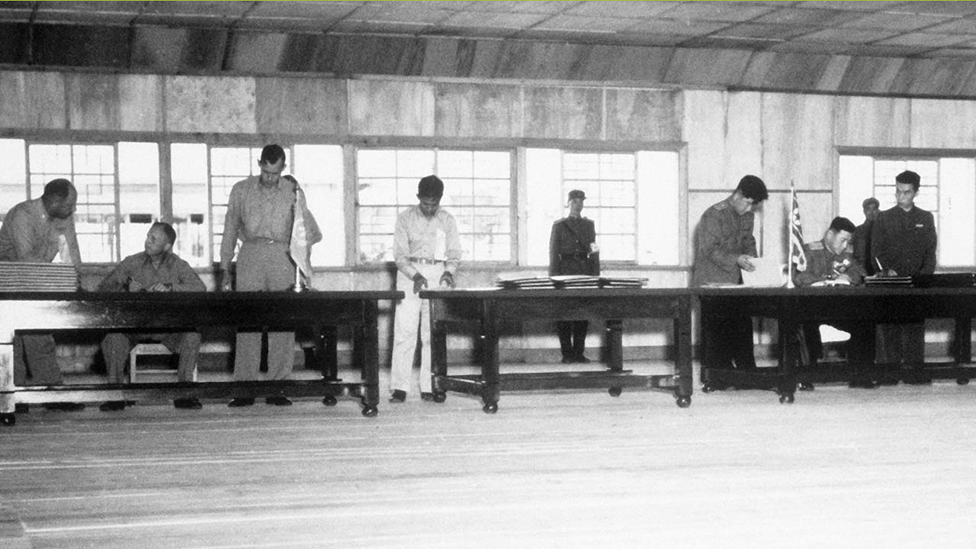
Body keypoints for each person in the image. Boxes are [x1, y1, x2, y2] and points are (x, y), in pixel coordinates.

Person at [219, 144, 303, 407]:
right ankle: (244, 388)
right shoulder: (241, 190)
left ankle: (278, 387)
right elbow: (230, 228)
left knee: (282, 321)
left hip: (282, 255)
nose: (269, 178)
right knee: (248, 321)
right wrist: (225, 269)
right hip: (250, 254)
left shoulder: (294, 192)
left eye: (275, 173)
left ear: (283, 168)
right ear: (259, 164)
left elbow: (302, 233)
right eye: (265, 171)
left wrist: (304, 270)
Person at [96, 222, 207, 411]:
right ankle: (115, 394)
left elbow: (200, 288)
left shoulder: (178, 265)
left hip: (168, 326)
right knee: (113, 339)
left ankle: (184, 392)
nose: (147, 241)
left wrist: (172, 288)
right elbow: (104, 288)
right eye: (148, 236)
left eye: (153, 239)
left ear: (167, 246)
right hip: (134, 325)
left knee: (192, 336)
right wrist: (125, 289)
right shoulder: (131, 262)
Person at [0, 178, 85, 412]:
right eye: (71, 203)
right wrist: (58, 278)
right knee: (11, 342)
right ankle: (13, 395)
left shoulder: (63, 218)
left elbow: (71, 251)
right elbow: (25, 259)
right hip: (8, 284)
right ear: (55, 200)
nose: (73, 209)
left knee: (40, 337)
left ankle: (49, 392)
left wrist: (78, 281)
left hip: (36, 283)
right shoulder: (22, 215)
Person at [389, 175, 462, 403]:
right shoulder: (405, 219)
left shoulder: (448, 220)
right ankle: (399, 387)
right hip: (410, 274)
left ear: (440, 199)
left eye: (434, 203)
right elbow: (400, 256)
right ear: (418, 197)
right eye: (425, 203)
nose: (429, 207)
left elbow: (454, 253)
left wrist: (449, 272)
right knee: (405, 331)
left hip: (437, 273)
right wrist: (415, 275)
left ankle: (430, 385)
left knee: (432, 334)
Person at [692, 175, 769, 387]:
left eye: (754, 205)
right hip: (712, 281)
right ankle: (715, 377)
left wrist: (752, 258)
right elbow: (709, 249)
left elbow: (748, 241)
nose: (749, 209)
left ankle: (746, 374)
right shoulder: (713, 215)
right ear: (738, 194)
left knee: (742, 325)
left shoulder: (747, 216)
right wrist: (736, 259)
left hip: (737, 281)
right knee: (716, 329)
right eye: (748, 202)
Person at [871, 170, 938, 384]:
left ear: (916, 192)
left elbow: (930, 252)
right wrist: (886, 271)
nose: (901, 196)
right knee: (888, 326)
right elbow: (875, 253)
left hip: (916, 282)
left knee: (914, 325)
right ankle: (888, 373)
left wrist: (924, 278)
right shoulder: (883, 217)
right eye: (898, 191)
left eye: (906, 192)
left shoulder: (925, 218)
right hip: (890, 281)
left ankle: (914, 372)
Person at [792, 216, 875, 389]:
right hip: (812, 308)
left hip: (839, 308)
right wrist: (826, 280)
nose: (845, 246)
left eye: (848, 242)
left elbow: (860, 272)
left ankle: (860, 374)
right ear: (830, 234)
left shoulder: (846, 255)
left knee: (865, 322)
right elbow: (798, 276)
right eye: (843, 240)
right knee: (804, 326)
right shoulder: (809, 251)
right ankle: (805, 377)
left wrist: (849, 276)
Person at [549, 189, 600, 363]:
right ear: (569, 203)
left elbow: (594, 249)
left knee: (582, 312)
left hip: (584, 271)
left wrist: (595, 273)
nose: (579, 205)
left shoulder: (589, 225)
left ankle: (579, 352)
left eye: (581, 201)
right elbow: (553, 252)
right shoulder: (559, 225)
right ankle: (567, 354)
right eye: (575, 201)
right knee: (564, 313)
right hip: (565, 271)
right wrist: (554, 277)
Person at [852, 197, 880, 275]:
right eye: (868, 209)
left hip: (879, 272)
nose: (871, 212)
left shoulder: (883, 231)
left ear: (878, 211)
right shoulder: (857, 231)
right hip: (861, 270)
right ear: (864, 211)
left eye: (874, 209)